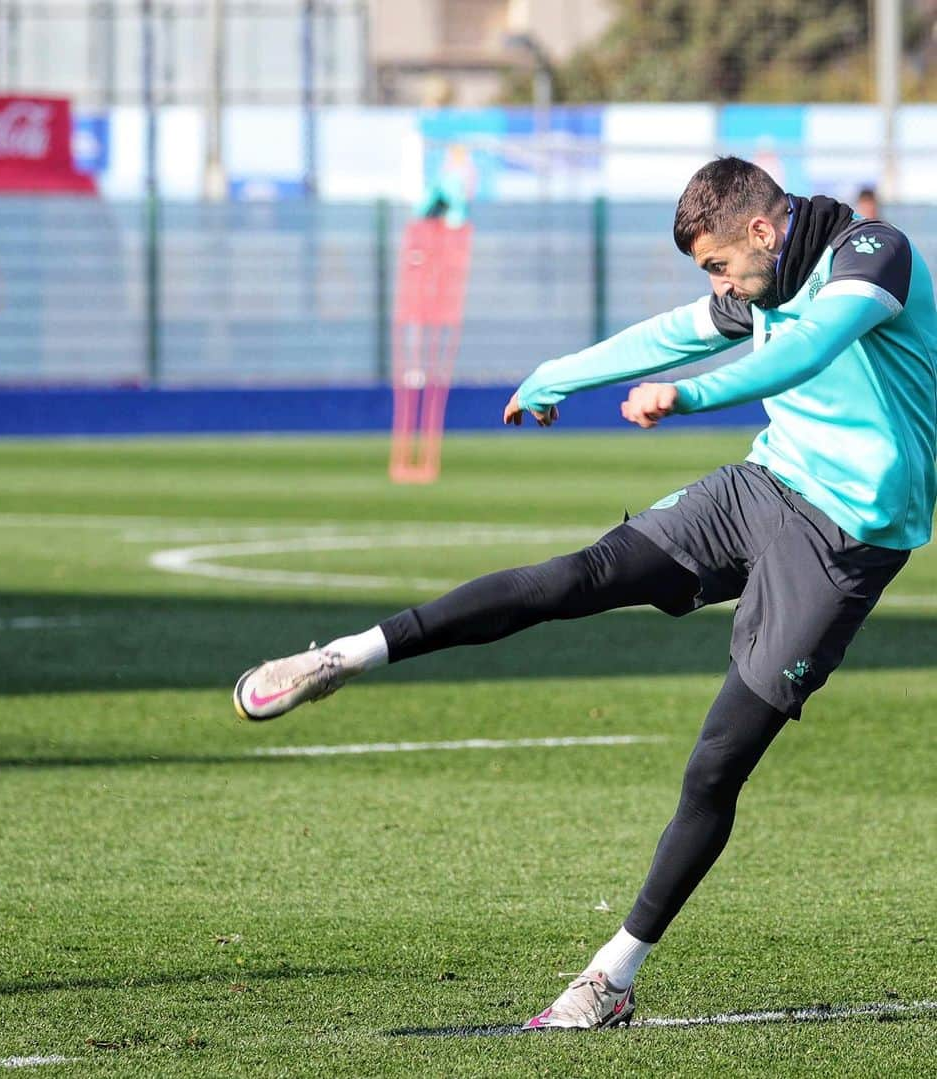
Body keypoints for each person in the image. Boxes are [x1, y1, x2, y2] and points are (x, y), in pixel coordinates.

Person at [233, 157, 937, 1029]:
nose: (719, 286)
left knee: (717, 762)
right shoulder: (759, 277)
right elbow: (672, 331)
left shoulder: (874, 254)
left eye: (718, 264)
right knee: (579, 575)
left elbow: (810, 348)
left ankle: (612, 975)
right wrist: (557, 374)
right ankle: (350, 653)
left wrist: (691, 395)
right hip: (764, 488)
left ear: (761, 229)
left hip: (844, 544)